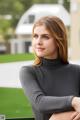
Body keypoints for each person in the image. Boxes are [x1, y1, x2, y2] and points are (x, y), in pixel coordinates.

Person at [20, 16, 80, 120]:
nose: (38, 42)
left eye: (45, 37)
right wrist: (73, 101)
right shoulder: (28, 72)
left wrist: (59, 117)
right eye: (35, 36)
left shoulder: (77, 72)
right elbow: (40, 102)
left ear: (58, 40)